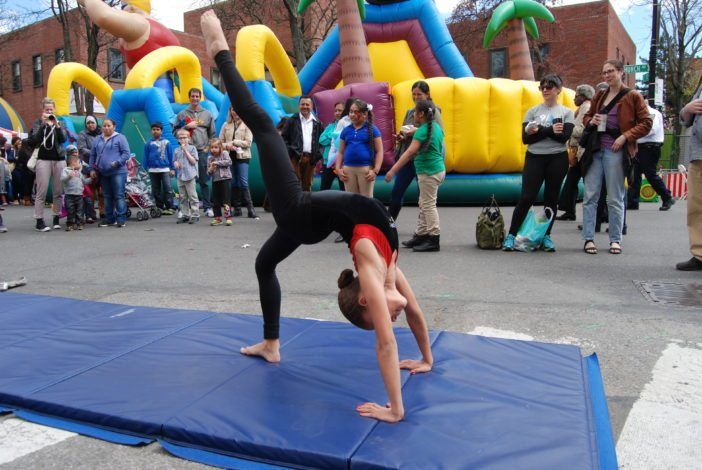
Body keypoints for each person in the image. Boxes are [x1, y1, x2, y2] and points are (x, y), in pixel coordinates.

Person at [201, 10, 433, 423]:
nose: (391, 315)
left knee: (265, 128)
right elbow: (412, 314)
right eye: (384, 314)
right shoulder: (387, 270)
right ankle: (271, 344)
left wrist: (395, 409)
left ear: (366, 298)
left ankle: (220, 52)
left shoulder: (370, 265)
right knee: (264, 262)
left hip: (299, 212)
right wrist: (426, 362)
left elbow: (385, 343)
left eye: (380, 312)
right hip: (308, 220)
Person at [581, 60, 652, 255]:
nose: (606, 76)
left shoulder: (633, 96)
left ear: (621, 72)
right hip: (595, 150)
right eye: (604, 72)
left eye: (610, 71)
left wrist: (625, 136)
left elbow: (647, 123)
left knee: (615, 197)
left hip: (616, 151)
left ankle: (615, 239)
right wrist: (591, 120)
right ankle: (588, 238)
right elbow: (586, 117)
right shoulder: (600, 95)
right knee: (590, 196)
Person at [502, 74, 575, 252]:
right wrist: (550, 129)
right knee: (527, 197)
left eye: (549, 87)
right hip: (535, 157)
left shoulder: (566, 112)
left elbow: (563, 138)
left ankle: (546, 236)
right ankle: (511, 235)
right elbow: (526, 138)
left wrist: (540, 131)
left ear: (558, 89)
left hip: (557, 158)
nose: (545, 90)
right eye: (542, 87)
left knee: (551, 199)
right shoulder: (533, 111)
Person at [385, 100, 445, 252]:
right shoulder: (435, 128)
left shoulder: (422, 131)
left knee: (428, 205)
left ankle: (433, 238)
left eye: (415, 112)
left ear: (422, 114)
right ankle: (422, 234)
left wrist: (393, 170)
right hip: (435, 170)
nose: (413, 115)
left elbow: (409, 153)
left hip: (429, 172)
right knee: (424, 202)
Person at [389, 81, 444, 221]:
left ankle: (424, 229)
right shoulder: (410, 112)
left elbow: (437, 133)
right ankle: (389, 223)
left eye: (419, 94)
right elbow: (404, 130)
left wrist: (416, 132)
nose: (416, 97)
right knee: (397, 191)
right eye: (414, 94)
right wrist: (401, 136)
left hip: (425, 159)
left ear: (427, 94)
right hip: (409, 159)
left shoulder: (434, 111)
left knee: (424, 198)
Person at [77, 0, 180, 69]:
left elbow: (104, 16)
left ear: (132, 9)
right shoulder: (153, 27)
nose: (121, 12)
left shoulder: (142, 24)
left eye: (123, 7)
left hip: (157, 92)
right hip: (144, 88)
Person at [27, 97, 67, 232]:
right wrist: (44, 125)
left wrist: (57, 126)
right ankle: (39, 220)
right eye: (47, 109)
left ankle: (56, 218)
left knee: (58, 191)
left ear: (54, 110)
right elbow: (32, 140)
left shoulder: (59, 122)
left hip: (59, 159)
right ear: (42, 110)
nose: (49, 111)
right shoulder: (38, 123)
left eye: (51, 109)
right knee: (41, 191)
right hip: (43, 159)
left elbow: (63, 139)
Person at [556, 84, 595, 221]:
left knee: (585, 181)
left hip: (582, 150)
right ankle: (569, 211)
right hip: (577, 150)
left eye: (577, 96)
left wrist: (567, 129)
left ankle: (601, 213)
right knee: (572, 181)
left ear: (583, 96)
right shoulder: (581, 108)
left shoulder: (587, 108)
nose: (574, 99)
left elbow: (583, 129)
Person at [176, 88, 215, 217]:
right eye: (192, 96)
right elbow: (174, 132)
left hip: (201, 151)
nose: (195, 99)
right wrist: (186, 127)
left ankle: (207, 207)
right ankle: (184, 209)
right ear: (189, 98)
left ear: (200, 98)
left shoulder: (207, 114)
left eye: (197, 96)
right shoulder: (182, 114)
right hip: (186, 151)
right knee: (185, 180)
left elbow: (212, 134)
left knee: (203, 180)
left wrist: (207, 148)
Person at [627, 105, 674, 211]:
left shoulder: (652, 113)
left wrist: (632, 134)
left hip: (650, 146)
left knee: (650, 174)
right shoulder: (639, 113)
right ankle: (632, 202)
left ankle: (667, 196)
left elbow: (651, 129)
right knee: (634, 174)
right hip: (640, 146)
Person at [676, 85, 702, 270]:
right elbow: (686, 119)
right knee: (696, 207)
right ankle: (699, 254)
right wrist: (687, 110)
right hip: (698, 155)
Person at [335, 99, 383, 198]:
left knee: (366, 200)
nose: (352, 114)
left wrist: (375, 170)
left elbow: (380, 151)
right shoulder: (346, 130)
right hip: (348, 170)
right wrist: (338, 169)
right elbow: (340, 152)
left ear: (365, 114)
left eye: (355, 112)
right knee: (352, 200)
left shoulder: (372, 129)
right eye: (350, 112)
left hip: (365, 169)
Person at [89, 118, 130, 228]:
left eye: (109, 126)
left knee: (119, 195)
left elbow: (126, 154)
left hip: (118, 172)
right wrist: (92, 169)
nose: (106, 128)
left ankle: (121, 219)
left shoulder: (120, 138)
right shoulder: (97, 139)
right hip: (103, 172)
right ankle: (109, 219)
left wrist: (117, 162)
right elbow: (92, 155)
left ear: (114, 127)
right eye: (104, 126)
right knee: (106, 196)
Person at [220, 107, 258, 219]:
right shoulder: (225, 125)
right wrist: (228, 146)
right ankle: (237, 208)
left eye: (238, 109)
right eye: (233, 110)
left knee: (243, 181)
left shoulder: (247, 125)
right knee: (233, 182)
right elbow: (220, 142)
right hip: (229, 157)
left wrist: (234, 142)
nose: (235, 112)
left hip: (242, 157)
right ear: (230, 111)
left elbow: (248, 143)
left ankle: (251, 209)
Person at [281, 96, 323, 191]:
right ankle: (293, 205)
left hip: (311, 158)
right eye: (302, 104)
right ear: (298, 106)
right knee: (293, 183)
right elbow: (283, 138)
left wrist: (318, 154)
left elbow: (322, 140)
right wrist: (290, 151)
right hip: (295, 157)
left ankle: (306, 205)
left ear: (311, 106)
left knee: (307, 185)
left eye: (307, 104)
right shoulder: (292, 120)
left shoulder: (317, 122)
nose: (305, 106)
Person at [143, 122, 175, 215]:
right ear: (151, 131)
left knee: (168, 188)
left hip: (165, 169)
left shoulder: (167, 142)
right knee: (155, 190)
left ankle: (170, 207)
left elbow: (170, 155)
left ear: (161, 131)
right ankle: (159, 207)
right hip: (152, 170)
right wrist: (144, 169)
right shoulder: (148, 144)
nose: (155, 131)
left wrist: (172, 168)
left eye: (158, 129)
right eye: (153, 129)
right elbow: (145, 157)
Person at [77, 115, 102, 222]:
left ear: (96, 123)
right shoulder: (83, 134)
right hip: (88, 165)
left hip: (101, 165)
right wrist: (95, 153)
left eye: (92, 122)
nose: (91, 125)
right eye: (88, 123)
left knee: (102, 191)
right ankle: (91, 214)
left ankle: (103, 211)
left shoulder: (102, 132)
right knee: (90, 192)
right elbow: (81, 149)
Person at [173, 128, 200, 224]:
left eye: (185, 138)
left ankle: (195, 214)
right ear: (178, 140)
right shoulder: (176, 150)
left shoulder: (192, 148)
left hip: (190, 175)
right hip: (180, 175)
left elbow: (193, 161)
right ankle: (185, 214)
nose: (183, 140)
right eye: (180, 138)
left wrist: (185, 151)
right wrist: (175, 163)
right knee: (183, 197)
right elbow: (174, 160)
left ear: (189, 138)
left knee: (192, 196)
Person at [318, 101, 346, 192]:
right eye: (336, 110)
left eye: (340, 110)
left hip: (342, 164)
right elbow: (321, 140)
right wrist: (333, 136)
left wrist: (330, 137)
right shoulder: (330, 126)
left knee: (344, 190)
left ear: (345, 111)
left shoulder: (348, 125)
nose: (337, 113)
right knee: (324, 189)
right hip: (328, 164)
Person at [61, 149, 91, 231]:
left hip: (79, 195)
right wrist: (69, 176)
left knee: (80, 210)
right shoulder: (66, 171)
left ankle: (80, 223)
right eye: (79, 163)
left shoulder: (79, 173)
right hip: (69, 195)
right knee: (70, 210)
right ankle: (70, 224)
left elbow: (84, 181)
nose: (80, 165)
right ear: (73, 163)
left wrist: (91, 178)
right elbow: (63, 179)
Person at [206, 138, 233, 226]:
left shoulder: (224, 153)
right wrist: (210, 169)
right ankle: (217, 218)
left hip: (225, 179)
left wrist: (217, 163)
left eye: (216, 147)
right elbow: (208, 172)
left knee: (226, 199)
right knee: (216, 200)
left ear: (220, 147)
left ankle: (228, 217)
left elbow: (229, 162)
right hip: (215, 180)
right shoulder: (210, 158)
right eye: (212, 147)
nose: (213, 149)